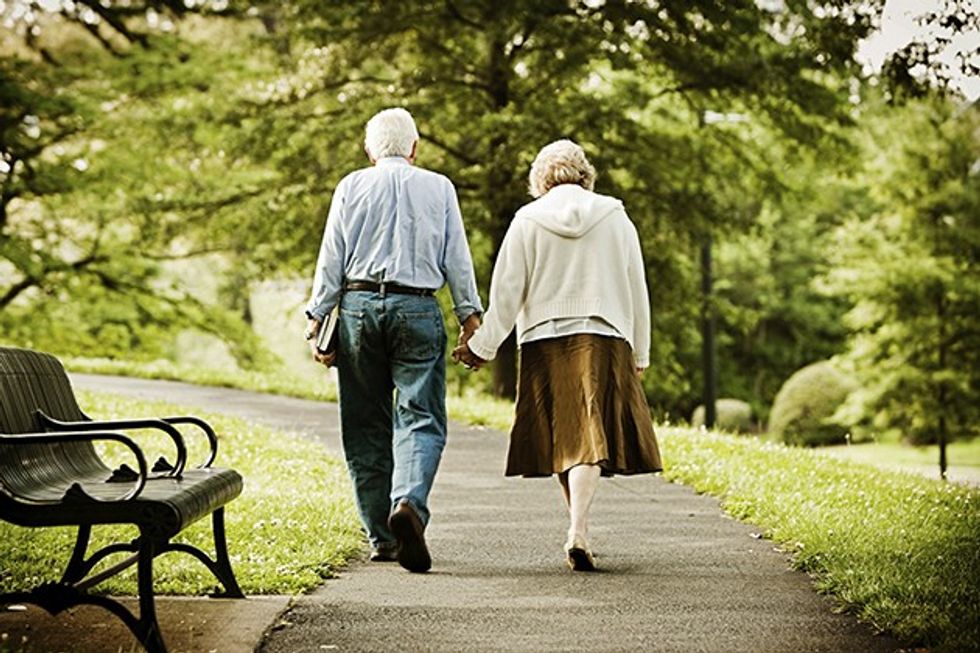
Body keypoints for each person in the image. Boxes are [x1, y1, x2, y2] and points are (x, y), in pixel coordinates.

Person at [453, 139, 662, 572]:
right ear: (585, 174)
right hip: (604, 335)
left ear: (540, 179)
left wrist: (481, 347)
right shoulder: (614, 216)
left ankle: (578, 528)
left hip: (545, 338)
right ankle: (578, 528)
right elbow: (636, 286)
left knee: (568, 436)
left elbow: (507, 294)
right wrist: (640, 349)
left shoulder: (527, 220)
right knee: (585, 438)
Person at [305, 107, 483, 573]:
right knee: (421, 418)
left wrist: (317, 315)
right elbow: (456, 257)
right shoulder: (439, 187)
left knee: (364, 423)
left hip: (359, 309)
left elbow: (331, 258)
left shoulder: (350, 186)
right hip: (418, 306)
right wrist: (469, 315)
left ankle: (382, 538)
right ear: (414, 149)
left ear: (369, 150)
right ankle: (408, 503)